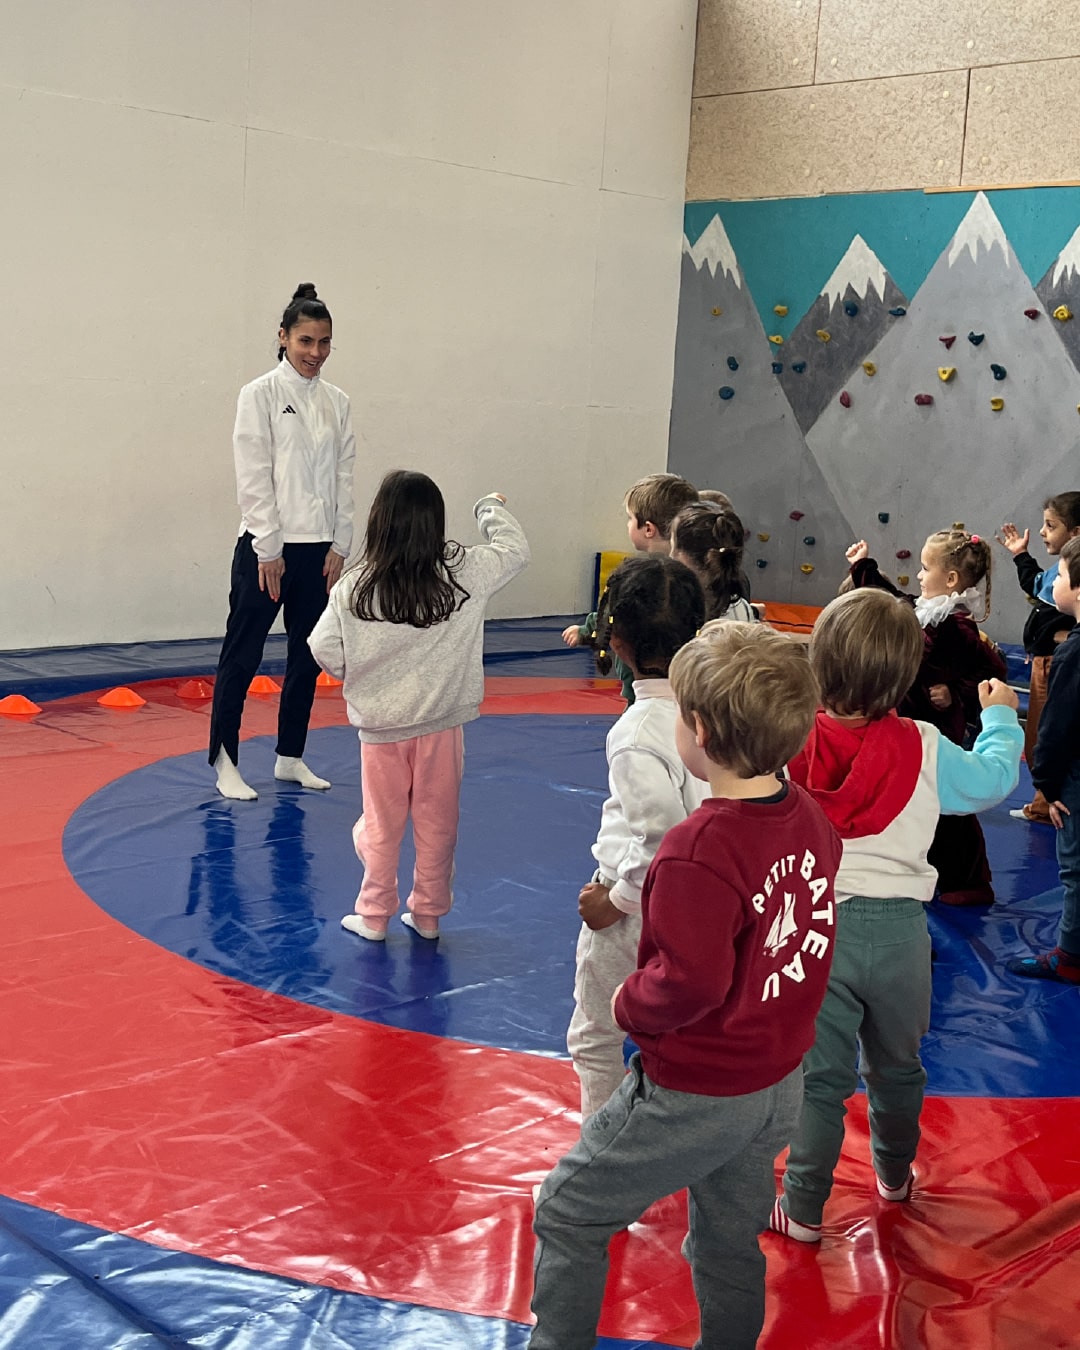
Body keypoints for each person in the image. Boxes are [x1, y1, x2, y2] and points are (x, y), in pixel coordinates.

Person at [529, 623, 842, 1350]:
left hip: (699, 1089)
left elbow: (691, 982)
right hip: (779, 1081)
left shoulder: (697, 849)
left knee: (567, 1211)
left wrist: (626, 1003)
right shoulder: (809, 818)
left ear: (697, 731)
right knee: (727, 1239)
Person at [769, 589, 1022, 1244]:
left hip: (816, 934)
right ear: (906, 675)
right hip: (901, 936)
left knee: (819, 1081)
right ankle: (893, 1174)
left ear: (818, 663)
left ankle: (803, 1207)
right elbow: (994, 781)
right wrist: (1001, 717)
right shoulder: (925, 745)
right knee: (898, 1067)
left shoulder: (789, 739)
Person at [308, 471, 528, 941]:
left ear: (379, 521)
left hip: (382, 730)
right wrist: (488, 507)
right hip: (441, 727)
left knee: (380, 825)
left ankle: (374, 915)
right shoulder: (464, 572)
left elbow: (322, 646)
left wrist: (360, 672)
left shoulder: (355, 586)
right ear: (435, 521)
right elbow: (515, 550)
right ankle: (428, 915)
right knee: (438, 822)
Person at [567, 554, 708, 1120]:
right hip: (707, 904)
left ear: (617, 643)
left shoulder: (639, 730)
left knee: (595, 1035)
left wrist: (617, 901)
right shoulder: (719, 707)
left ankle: (597, 1158)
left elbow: (661, 837)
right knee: (684, 1031)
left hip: (640, 907)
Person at [208, 283, 356, 801]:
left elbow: (344, 476)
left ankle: (290, 756)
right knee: (242, 655)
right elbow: (254, 475)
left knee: (306, 655)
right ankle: (225, 760)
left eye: (324, 342)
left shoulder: (338, 402)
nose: (315, 352)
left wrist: (341, 543)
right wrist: (267, 547)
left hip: (320, 551)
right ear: (283, 338)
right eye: (306, 341)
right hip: (266, 550)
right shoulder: (259, 395)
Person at [847, 528, 1006, 905]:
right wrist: (864, 567)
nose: (918, 575)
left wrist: (955, 690)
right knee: (916, 798)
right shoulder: (927, 612)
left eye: (924, 568)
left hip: (937, 728)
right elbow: (893, 601)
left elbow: (993, 671)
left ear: (950, 579)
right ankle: (928, 866)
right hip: (910, 720)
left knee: (948, 804)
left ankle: (970, 880)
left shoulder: (957, 625)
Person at [1007, 536, 1080, 984]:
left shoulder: (1072, 652)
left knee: (1075, 867)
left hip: (1074, 779)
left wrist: (1047, 786)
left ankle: (1070, 954)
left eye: (1062, 576)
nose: (1054, 583)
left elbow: (1056, 726)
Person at [561, 473, 698, 704]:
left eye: (630, 518)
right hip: (687, 688)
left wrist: (587, 630)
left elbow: (618, 612)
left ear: (648, 529)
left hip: (646, 685)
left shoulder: (645, 578)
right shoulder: (692, 575)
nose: (627, 524)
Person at [996, 493, 1080, 823]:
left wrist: (1062, 640)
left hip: (1054, 665)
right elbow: (1036, 584)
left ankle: (1047, 802)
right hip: (1044, 662)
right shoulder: (1059, 574)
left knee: (1047, 732)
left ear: (1075, 533)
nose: (1043, 532)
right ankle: (1044, 798)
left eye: (1051, 526)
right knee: (1039, 732)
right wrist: (1020, 555)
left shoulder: (1072, 578)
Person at [670, 499, 757, 622]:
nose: (670, 554)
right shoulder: (742, 607)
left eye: (673, 545)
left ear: (684, 556)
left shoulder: (672, 614)